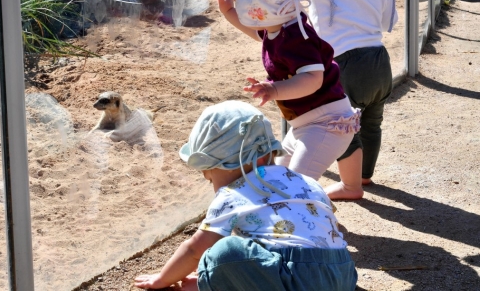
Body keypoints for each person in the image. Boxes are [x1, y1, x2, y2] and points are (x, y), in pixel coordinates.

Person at [134, 100, 358, 291]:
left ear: (230, 166)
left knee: (224, 251)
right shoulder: (306, 182)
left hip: (294, 279)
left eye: (210, 174)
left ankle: (206, 285)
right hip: (342, 274)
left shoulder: (234, 193)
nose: (209, 181)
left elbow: (194, 250)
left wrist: (162, 279)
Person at [212, 0, 362, 198]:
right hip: (305, 126)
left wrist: (274, 90)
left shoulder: (296, 35)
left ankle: (316, 229)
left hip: (326, 125)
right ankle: (314, 219)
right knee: (277, 178)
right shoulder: (277, 26)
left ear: (262, 4)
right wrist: (228, 11)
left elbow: (314, 79)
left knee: (293, 187)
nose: (240, 2)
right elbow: (255, 32)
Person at [303, 0, 398, 198]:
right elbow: (386, 23)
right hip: (379, 61)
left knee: (341, 126)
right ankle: (364, 176)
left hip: (342, 62)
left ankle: (350, 185)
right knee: (371, 122)